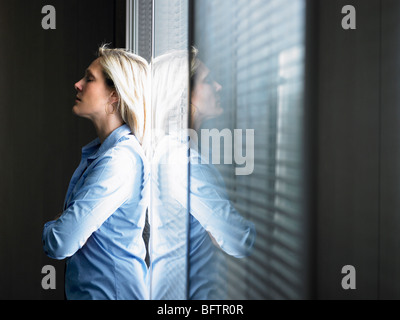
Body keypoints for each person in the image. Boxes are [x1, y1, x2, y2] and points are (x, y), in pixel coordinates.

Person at [42, 45, 150, 300]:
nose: (78, 84)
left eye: (89, 78)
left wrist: (52, 226)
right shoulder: (101, 153)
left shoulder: (118, 161)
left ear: (114, 95)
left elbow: (61, 242)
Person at [150, 49, 256, 299]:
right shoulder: (182, 161)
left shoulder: (171, 149)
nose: (219, 87)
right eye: (208, 81)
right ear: (184, 94)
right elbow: (237, 239)